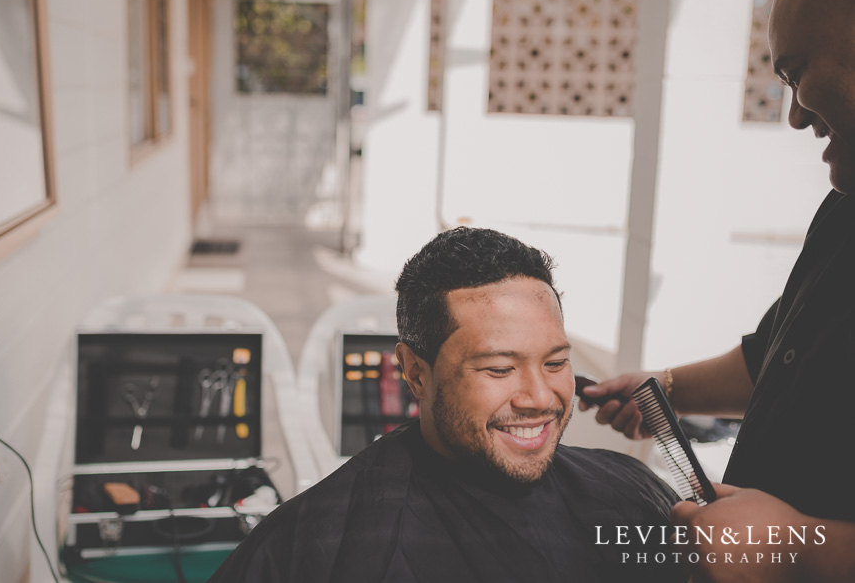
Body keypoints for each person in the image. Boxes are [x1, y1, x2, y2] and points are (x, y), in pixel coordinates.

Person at [580, 0, 855, 581]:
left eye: (797, 72)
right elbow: (779, 361)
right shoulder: (843, 211)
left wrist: (801, 546)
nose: (793, 117)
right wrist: (661, 392)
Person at [209, 227, 686, 582]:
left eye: (556, 362)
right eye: (499, 369)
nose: (540, 398)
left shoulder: (630, 493)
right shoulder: (324, 548)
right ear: (416, 372)